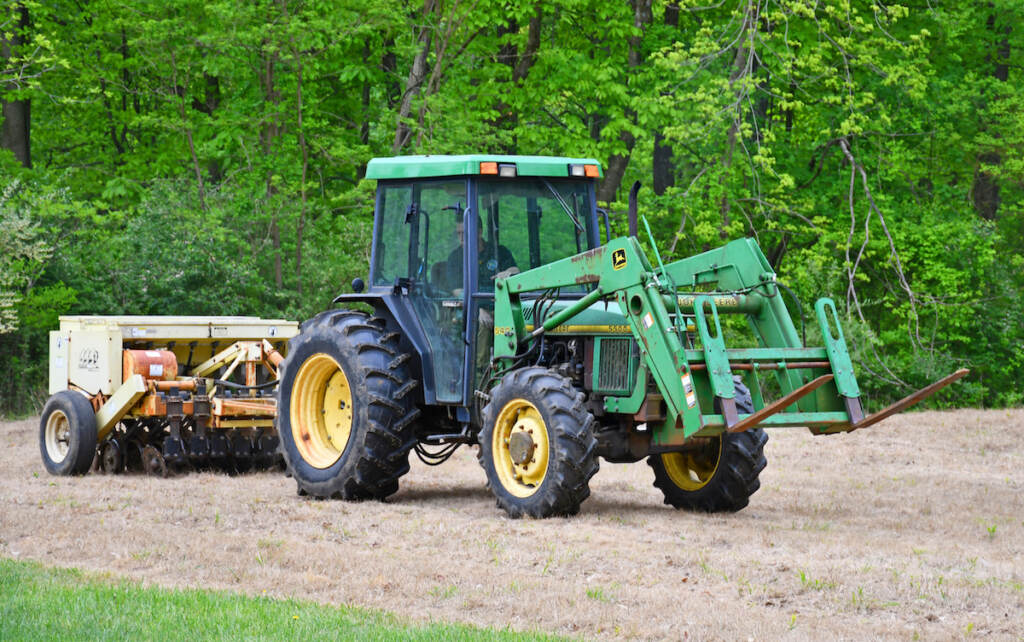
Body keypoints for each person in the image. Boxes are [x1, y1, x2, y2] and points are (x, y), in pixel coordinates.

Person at [440, 212, 518, 293]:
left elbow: (515, 270)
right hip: (471, 304)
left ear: (479, 233)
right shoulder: (455, 258)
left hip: (500, 300)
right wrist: (478, 304)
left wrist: (508, 273)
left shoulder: (499, 251)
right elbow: (457, 291)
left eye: (465, 233)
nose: (461, 238)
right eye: (459, 233)